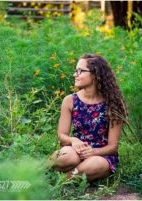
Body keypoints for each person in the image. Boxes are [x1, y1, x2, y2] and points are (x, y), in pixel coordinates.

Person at [50, 53, 128, 182]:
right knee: (67, 156)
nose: (75, 74)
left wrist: (93, 152)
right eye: (76, 71)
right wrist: (74, 140)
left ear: (95, 74)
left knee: (95, 165)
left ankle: (58, 181)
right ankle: (40, 171)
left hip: (100, 155)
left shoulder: (113, 103)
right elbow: (62, 135)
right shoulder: (70, 100)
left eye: (80, 71)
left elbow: (112, 147)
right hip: (74, 151)